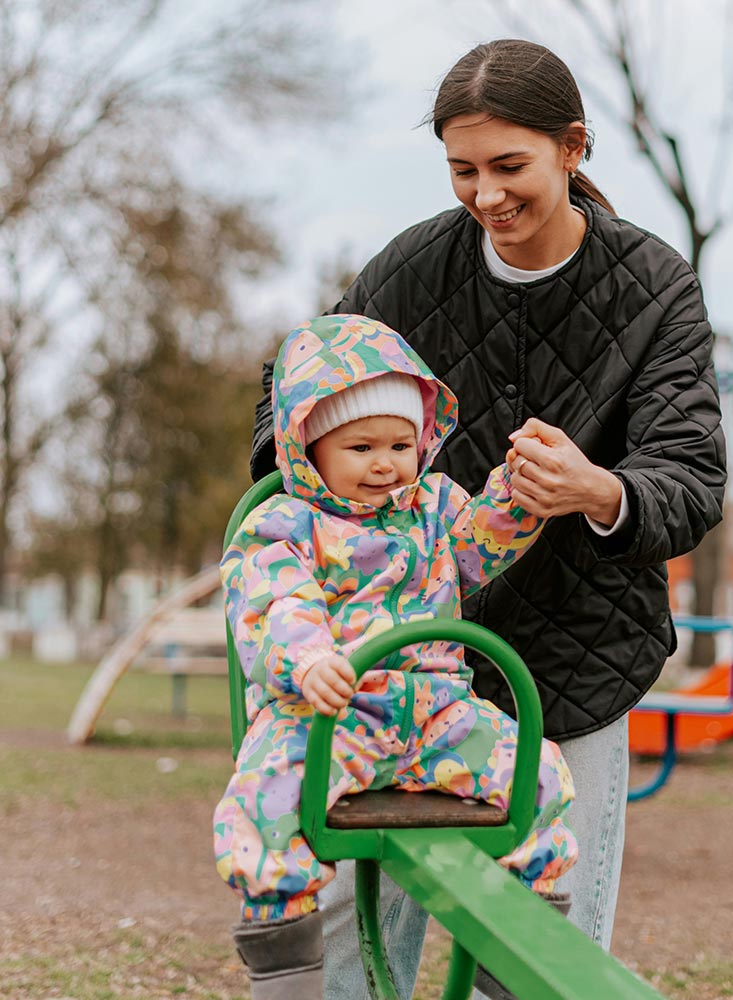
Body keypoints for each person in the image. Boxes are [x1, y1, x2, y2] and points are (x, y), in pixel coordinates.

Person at [249, 38, 726, 1000]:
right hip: (393, 653)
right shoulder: (415, 270)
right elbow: (291, 385)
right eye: (463, 171)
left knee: (545, 944)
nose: (486, 195)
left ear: (573, 148)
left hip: (579, 655)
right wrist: (327, 489)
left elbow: (690, 478)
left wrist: (600, 489)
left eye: (510, 167)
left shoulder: (655, 287)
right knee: (353, 922)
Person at [218, 313, 577, 999]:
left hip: (439, 717)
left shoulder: (436, 509)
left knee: (542, 779)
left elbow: (481, 545)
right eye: (359, 446)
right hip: (329, 718)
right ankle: (287, 974)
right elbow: (272, 603)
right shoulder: (286, 526)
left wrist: (515, 492)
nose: (384, 463)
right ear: (309, 449)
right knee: (262, 800)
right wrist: (309, 660)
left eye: (400, 444)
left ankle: (516, 964)